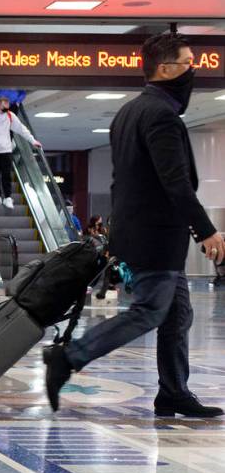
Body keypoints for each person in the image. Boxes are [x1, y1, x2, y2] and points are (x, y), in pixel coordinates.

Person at [44, 33, 225, 418]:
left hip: (141, 233)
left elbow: (122, 181)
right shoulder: (160, 116)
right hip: (155, 237)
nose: (193, 70)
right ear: (165, 68)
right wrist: (207, 230)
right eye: (188, 63)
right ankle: (70, 357)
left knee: (177, 314)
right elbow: (175, 182)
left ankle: (173, 392)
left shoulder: (130, 112)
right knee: (148, 311)